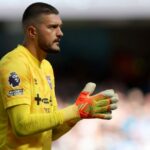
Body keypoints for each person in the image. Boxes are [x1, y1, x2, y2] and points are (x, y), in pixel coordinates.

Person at [0, 2, 118, 150]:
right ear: (32, 32)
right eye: (52, 27)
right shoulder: (15, 64)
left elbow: (52, 132)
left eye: (60, 27)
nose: (60, 33)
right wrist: (75, 110)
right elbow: (22, 125)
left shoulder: (46, 67)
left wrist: (78, 115)